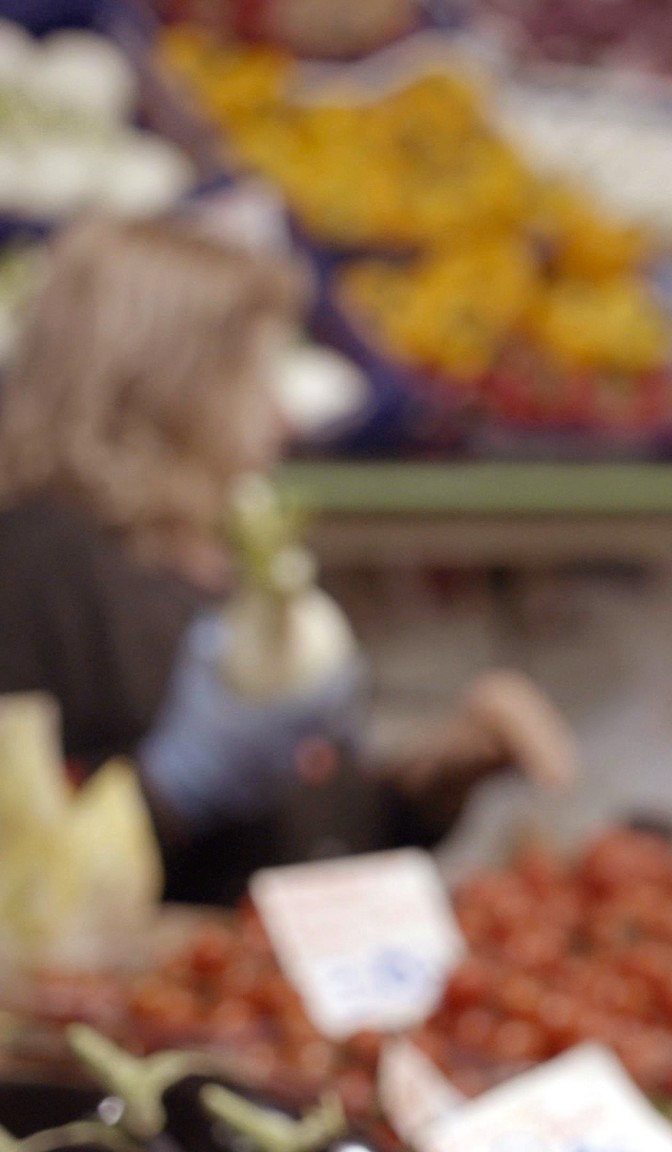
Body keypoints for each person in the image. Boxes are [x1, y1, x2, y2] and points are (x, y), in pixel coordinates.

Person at [0, 217, 573, 905]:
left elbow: (291, 835)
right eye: (255, 379)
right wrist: (172, 786)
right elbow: (25, 877)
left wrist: (437, 775)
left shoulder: (235, 558)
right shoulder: (32, 567)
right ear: (163, 385)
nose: (284, 417)